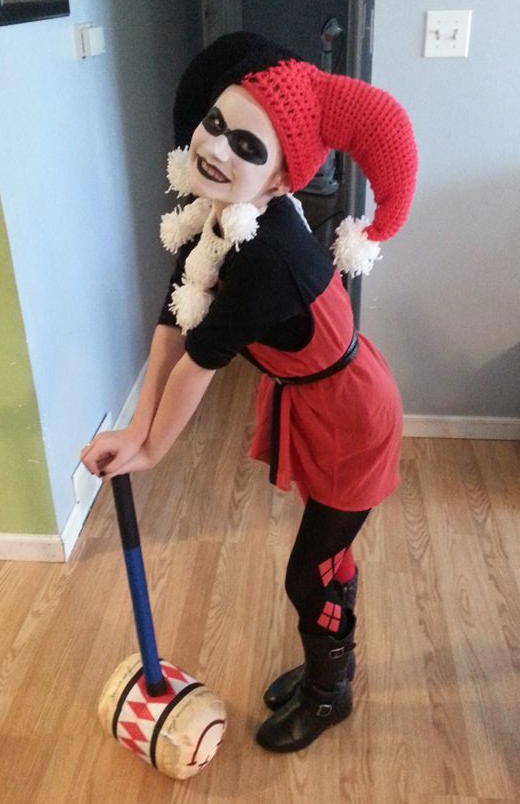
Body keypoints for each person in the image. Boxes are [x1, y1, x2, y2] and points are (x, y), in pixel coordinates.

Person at [81, 32, 417, 753]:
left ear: (279, 180)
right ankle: (328, 667)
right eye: (215, 123)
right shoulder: (217, 216)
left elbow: (200, 362)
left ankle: (329, 693)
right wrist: (137, 429)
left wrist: (150, 451)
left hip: (352, 418)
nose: (216, 148)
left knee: (308, 574)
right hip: (314, 398)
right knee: (326, 557)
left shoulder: (269, 257)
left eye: (247, 145)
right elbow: (177, 315)